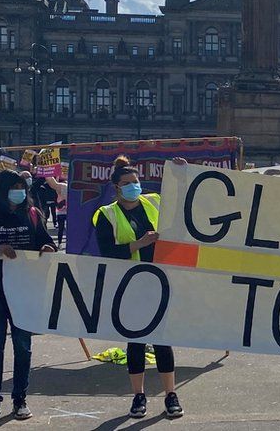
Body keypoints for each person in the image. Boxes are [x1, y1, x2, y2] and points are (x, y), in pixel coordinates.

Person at [93, 156, 184, 419]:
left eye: (136, 181)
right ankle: (138, 396)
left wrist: (180, 173)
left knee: (163, 341)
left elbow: (182, 207)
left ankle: (170, 395)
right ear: (116, 187)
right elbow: (107, 252)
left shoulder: (153, 201)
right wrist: (139, 244)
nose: (135, 186)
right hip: (129, 285)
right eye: (128, 183)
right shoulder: (106, 214)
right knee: (136, 342)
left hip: (160, 281)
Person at [0, 170, 56, 421]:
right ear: (2, 191)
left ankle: (20, 399)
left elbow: (46, 243)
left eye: (22, 187)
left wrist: (48, 248)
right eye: (14, 187)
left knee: (23, 347)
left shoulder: (34, 214)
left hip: (24, 292)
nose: (19, 192)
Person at [46, 176, 68, 246]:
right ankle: (66, 243)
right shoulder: (67, 187)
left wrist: (48, 172)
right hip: (68, 212)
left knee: (61, 229)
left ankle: (59, 243)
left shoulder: (62, 187)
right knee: (69, 229)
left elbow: (52, 183)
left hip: (60, 211)